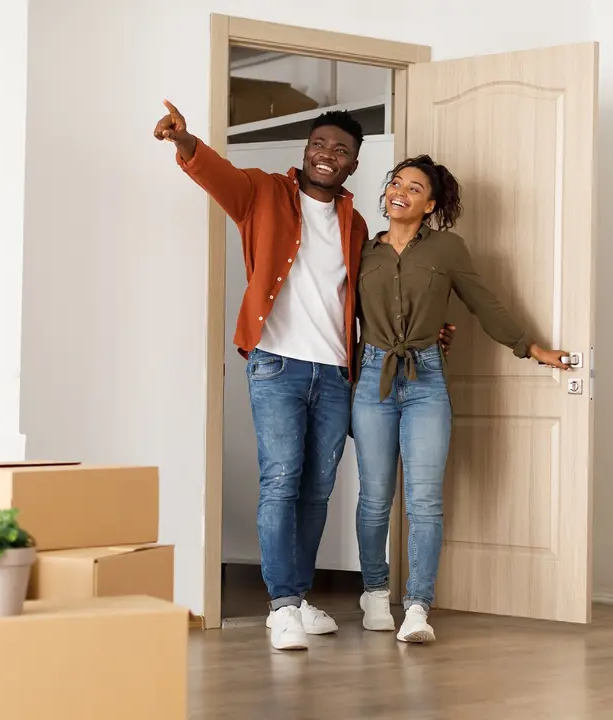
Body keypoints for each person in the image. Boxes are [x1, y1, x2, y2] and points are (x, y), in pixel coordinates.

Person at [154, 102, 453, 651]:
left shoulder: (357, 222)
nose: (327, 155)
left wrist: (429, 329)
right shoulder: (263, 193)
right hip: (277, 365)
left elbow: (380, 295)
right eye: (320, 144)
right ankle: (282, 605)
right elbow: (214, 172)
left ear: (354, 164)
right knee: (281, 478)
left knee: (317, 489)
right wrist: (185, 141)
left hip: (337, 372)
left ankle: (298, 594)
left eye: (341, 150)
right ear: (306, 151)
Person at [352, 155, 570, 643]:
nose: (399, 191)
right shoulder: (362, 250)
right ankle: (373, 593)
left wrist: (530, 347)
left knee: (425, 501)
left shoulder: (447, 249)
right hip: (372, 377)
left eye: (414, 188)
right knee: (374, 498)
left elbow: (482, 301)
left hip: (426, 377)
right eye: (395, 183)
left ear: (429, 204)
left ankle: (416, 608)